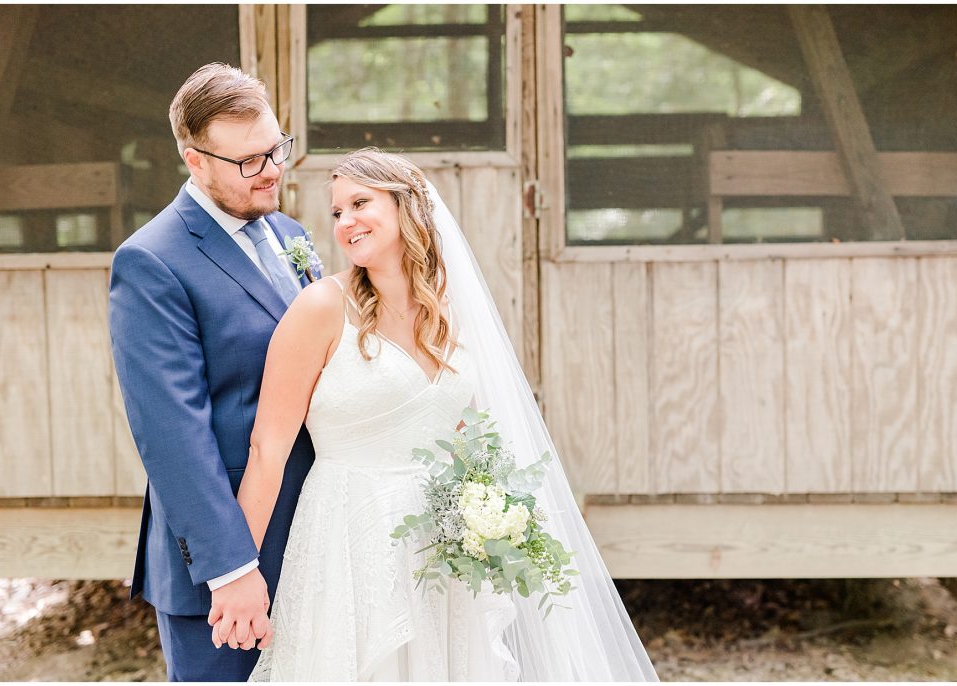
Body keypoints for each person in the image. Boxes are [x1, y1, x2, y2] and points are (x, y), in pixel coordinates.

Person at [237, 148, 659, 681]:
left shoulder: (452, 308)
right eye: (337, 212)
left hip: (441, 551)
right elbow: (267, 449)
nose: (345, 223)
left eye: (359, 203)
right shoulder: (320, 307)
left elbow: (469, 436)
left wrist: (491, 519)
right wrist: (238, 571)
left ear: (406, 206)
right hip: (348, 536)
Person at [108, 63, 319, 681]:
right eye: (249, 161)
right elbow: (173, 435)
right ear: (194, 161)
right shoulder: (151, 262)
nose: (272, 171)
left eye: (276, 149)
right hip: (224, 567)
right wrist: (231, 569)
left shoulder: (290, 233)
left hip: (316, 534)